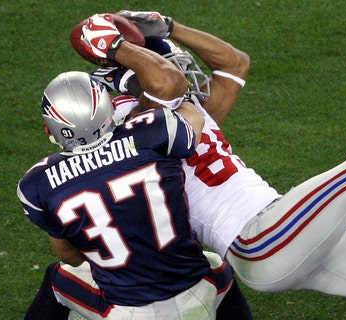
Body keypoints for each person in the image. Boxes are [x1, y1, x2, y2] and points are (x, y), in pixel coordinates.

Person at [69, 10, 346, 320]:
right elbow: (165, 80)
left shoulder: (176, 113)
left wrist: (171, 25)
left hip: (286, 233)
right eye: (160, 59)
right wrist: (117, 48)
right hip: (257, 239)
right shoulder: (140, 124)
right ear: (129, 83)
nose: (179, 66)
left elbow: (235, 62)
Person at [17, 14, 240, 320]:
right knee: (217, 268)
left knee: (60, 278)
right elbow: (194, 117)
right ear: (108, 107)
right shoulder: (153, 132)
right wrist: (173, 91)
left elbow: (68, 255)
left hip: (127, 311)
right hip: (193, 295)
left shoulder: (37, 183)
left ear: (50, 130)